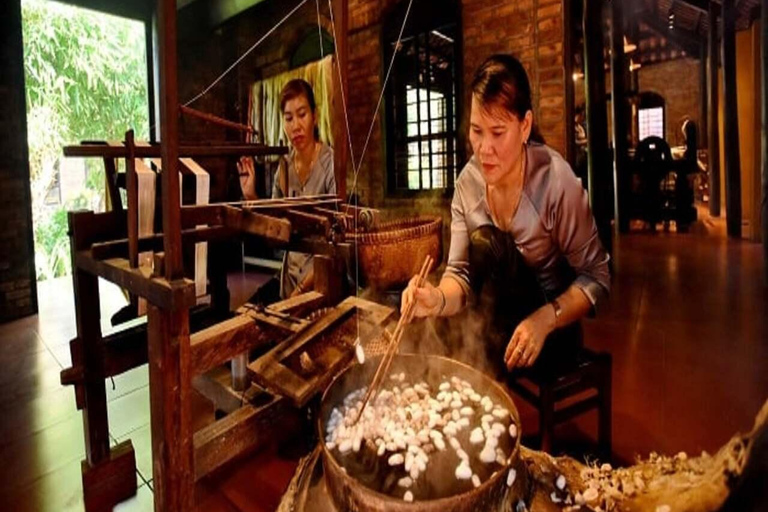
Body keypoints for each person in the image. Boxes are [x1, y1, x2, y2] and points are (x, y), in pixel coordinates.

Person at [401, 54, 610, 378]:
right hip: (493, 327)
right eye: (476, 131)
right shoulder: (468, 184)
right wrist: (437, 299)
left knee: (488, 242)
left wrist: (544, 319)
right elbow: (461, 273)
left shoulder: (555, 181)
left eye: (497, 133)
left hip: (551, 331)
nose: (484, 148)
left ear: (525, 125)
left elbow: (597, 278)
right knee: (429, 339)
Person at [238, 78, 336, 300]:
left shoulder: (330, 165)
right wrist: (252, 195)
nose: (296, 126)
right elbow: (274, 230)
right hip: (289, 282)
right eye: (289, 118)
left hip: (321, 282)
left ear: (315, 116)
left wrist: (303, 291)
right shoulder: (283, 169)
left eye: (302, 115)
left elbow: (336, 240)